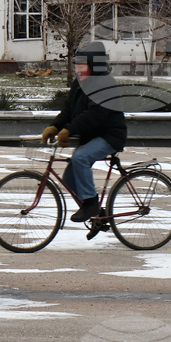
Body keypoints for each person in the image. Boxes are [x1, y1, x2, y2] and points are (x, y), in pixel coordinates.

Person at [41, 42, 127, 223]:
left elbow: (95, 115)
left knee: (80, 157)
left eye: (82, 66)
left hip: (109, 136)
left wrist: (69, 130)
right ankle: (98, 215)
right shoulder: (80, 83)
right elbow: (68, 110)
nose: (78, 70)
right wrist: (55, 126)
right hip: (93, 136)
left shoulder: (104, 84)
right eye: (76, 66)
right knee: (69, 178)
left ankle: (90, 203)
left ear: (94, 66)